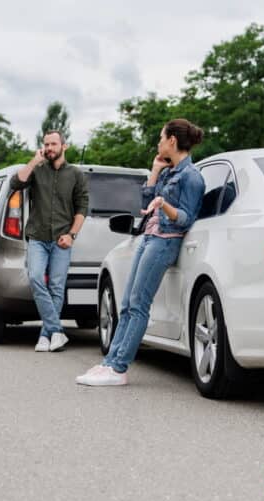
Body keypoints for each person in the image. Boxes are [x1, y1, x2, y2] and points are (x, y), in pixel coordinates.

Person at [76, 119, 205, 386]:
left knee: (138, 305)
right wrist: (155, 172)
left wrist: (165, 205)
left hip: (165, 242)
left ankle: (119, 369)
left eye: (161, 138)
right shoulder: (170, 173)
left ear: (172, 141)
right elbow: (145, 206)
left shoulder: (192, 177)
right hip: (149, 237)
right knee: (127, 304)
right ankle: (109, 362)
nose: (158, 143)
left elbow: (186, 218)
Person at [10, 130, 89, 352]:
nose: (49, 148)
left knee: (56, 286)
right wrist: (35, 160)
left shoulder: (75, 174)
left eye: (54, 144)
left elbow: (82, 207)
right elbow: (16, 183)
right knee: (35, 277)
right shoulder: (37, 170)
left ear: (64, 146)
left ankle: (46, 335)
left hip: (62, 239)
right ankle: (56, 330)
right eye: (46, 144)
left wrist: (72, 235)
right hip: (38, 237)